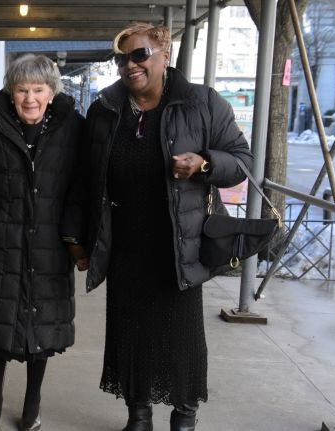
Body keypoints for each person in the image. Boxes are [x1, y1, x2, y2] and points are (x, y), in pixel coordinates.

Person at [79, 23, 254, 431]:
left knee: (182, 339)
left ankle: (184, 416)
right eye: (121, 59)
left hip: (179, 244)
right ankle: (138, 416)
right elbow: (87, 178)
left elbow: (241, 160)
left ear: (164, 54)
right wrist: (80, 238)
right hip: (125, 245)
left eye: (139, 55)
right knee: (131, 332)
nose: (129, 65)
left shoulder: (201, 102)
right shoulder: (106, 109)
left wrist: (205, 163)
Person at [0, 54, 84, 431]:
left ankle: (33, 401)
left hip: (50, 242)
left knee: (42, 327)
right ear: (11, 92)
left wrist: (80, 241)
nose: (30, 98)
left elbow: (83, 188)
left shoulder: (72, 127)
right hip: (1, 238)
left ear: (51, 91)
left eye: (38, 89)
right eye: (22, 89)